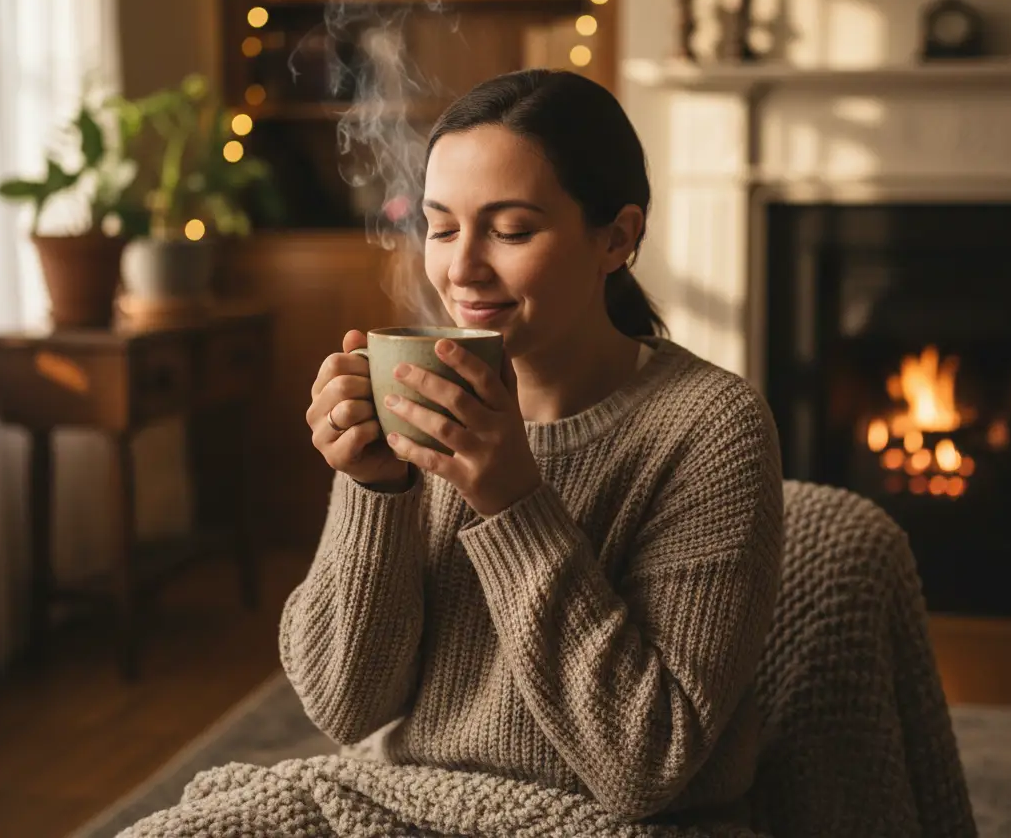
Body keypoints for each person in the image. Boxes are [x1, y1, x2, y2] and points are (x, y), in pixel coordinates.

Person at [291, 69, 783, 828]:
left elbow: (646, 765)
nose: (461, 270)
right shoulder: (417, 400)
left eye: (512, 230)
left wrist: (513, 500)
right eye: (442, 227)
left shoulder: (712, 427)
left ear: (616, 238)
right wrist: (375, 491)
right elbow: (345, 708)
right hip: (404, 803)